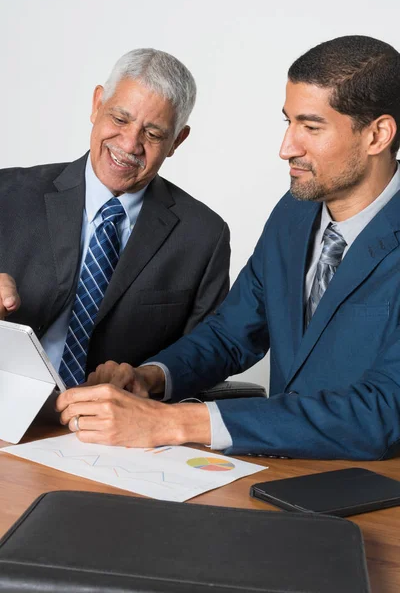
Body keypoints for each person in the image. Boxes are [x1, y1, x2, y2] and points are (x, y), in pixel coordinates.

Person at [55, 34, 400, 460]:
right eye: (287, 122)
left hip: (379, 488)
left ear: (378, 135)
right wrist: (150, 378)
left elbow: (384, 413)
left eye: (311, 127)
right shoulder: (294, 213)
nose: (286, 148)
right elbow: (232, 334)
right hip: (283, 476)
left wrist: (172, 423)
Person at [0, 48, 230, 386]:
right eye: (120, 119)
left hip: (115, 427)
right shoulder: (7, 194)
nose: (129, 143)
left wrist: (148, 381)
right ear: (97, 105)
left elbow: (209, 353)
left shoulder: (204, 236)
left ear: (177, 140)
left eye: (152, 134)